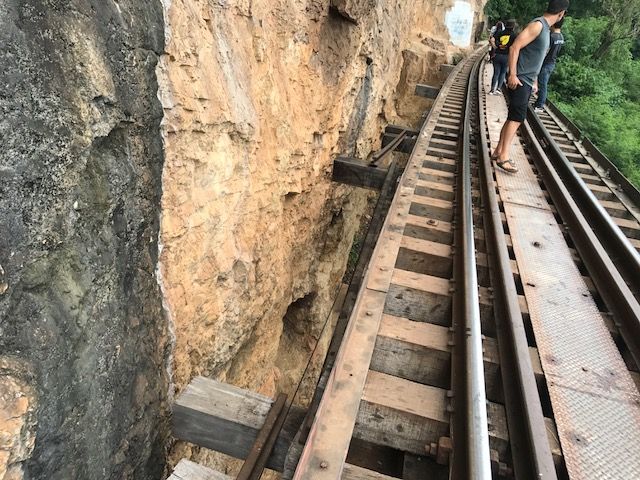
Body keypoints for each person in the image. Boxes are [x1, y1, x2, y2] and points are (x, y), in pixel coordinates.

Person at [491, 0, 569, 173]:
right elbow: (515, 47)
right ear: (561, 13)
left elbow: (535, 58)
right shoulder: (538, 25)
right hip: (520, 80)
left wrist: (534, 81)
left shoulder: (546, 29)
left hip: (526, 80)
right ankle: (503, 157)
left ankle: (498, 151)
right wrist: (512, 74)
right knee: (517, 119)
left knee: (513, 118)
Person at [534, 18, 565, 112]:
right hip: (552, 63)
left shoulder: (551, 36)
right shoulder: (561, 37)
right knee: (543, 83)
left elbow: (546, 50)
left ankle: (539, 105)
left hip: (545, 63)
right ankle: (538, 103)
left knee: (542, 84)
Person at [489, 19, 516, 95]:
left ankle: (492, 90)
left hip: (497, 55)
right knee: (503, 73)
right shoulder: (514, 35)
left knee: (496, 73)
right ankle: (498, 89)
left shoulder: (500, 32)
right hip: (506, 56)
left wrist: (495, 46)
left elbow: (492, 39)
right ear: (513, 27)